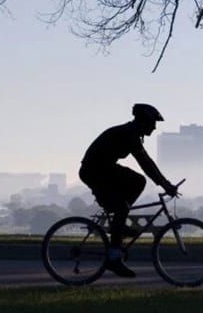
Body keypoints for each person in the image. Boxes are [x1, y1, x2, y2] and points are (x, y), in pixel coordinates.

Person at [79, 103, 178, 278]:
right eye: (153, 123)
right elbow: (145, 162)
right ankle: (114, 258)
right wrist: (165, 184)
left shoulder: (131, 133)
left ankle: (119, 220)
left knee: (137, 182)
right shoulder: (129, 134)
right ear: (143, 121)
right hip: (94, 171)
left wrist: (164, 183)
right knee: (122, 206)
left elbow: (146, 164)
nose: (154, 127)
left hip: (103, 169)